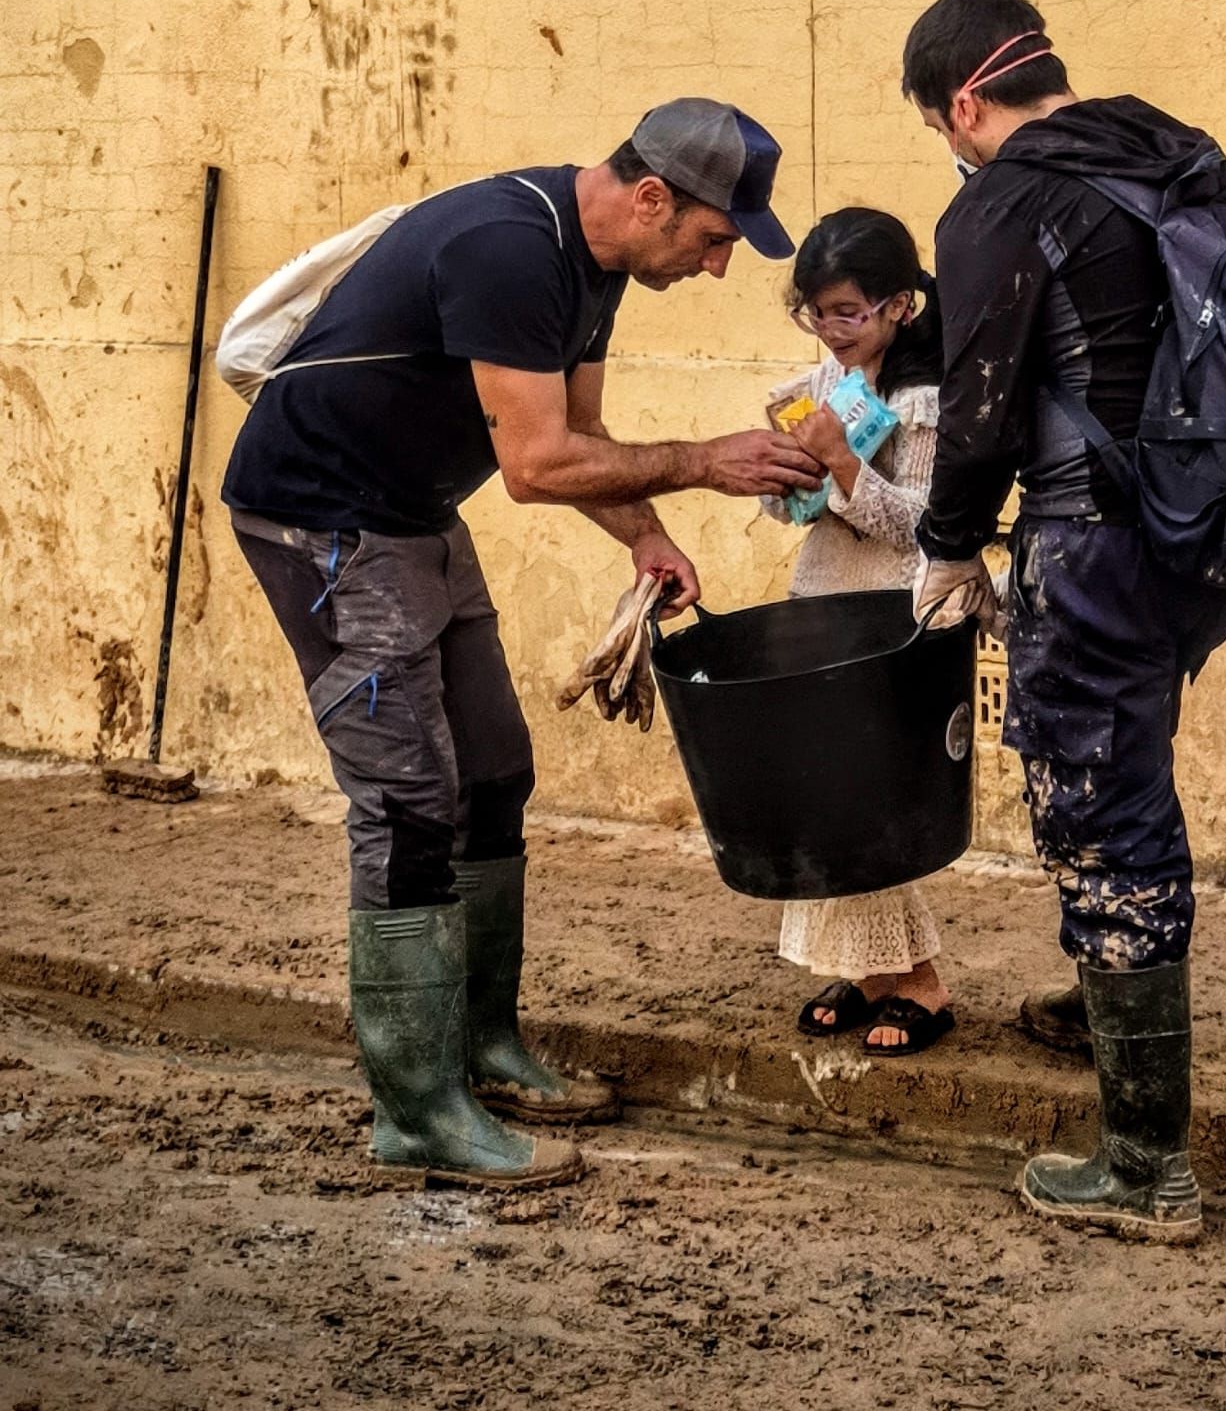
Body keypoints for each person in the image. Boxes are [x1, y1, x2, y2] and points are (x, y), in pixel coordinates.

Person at [223, 99, 823, 1189]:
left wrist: (647, 538)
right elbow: (537, 467)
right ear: (652, 198)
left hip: (409, 514)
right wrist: (704, 461)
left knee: (493, 773)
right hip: (322, 520)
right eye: (713, 238)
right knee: (408, 801)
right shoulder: (510, 248)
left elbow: (579, 439)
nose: (718, 263)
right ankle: (417, 1109)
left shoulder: (593, 267)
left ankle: (483, 1047)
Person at [902, 0, 1226, 1242]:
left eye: (940, 126)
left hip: (1093, 537)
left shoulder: (998, 197)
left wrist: (949, 545)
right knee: (1128, 764)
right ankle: (1101, 986)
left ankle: (1148, 1166)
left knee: (1101, 805)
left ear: (961, 104)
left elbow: (982, 397)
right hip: (1203, 535)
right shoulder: (1170, 151)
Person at [761, 209, 953, 1056]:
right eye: (815, 312)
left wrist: (841, 460)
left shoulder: (926, 401)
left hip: (890, 621)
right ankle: (873, 974)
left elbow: (921, 527)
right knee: (822, 794)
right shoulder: (824, 384)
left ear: (900, 306)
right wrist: (783, 468)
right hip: (821, 605)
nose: (831, 330)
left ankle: (921, 986)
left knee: (863, 800)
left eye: (847, 312)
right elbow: (788, 512)